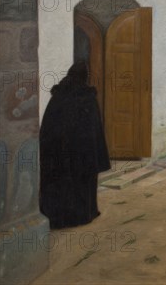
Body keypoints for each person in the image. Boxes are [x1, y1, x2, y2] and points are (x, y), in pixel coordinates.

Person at [39, 61, 111, 229]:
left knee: (59, 183)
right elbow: (94, 131)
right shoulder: (87, 97)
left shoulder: (58, 95)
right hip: (81, 152)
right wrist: (95, 155)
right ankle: (82, 215)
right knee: (80, 184)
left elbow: (47, 127)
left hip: (57, 152)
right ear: (85, 76)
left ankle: (56, 216)